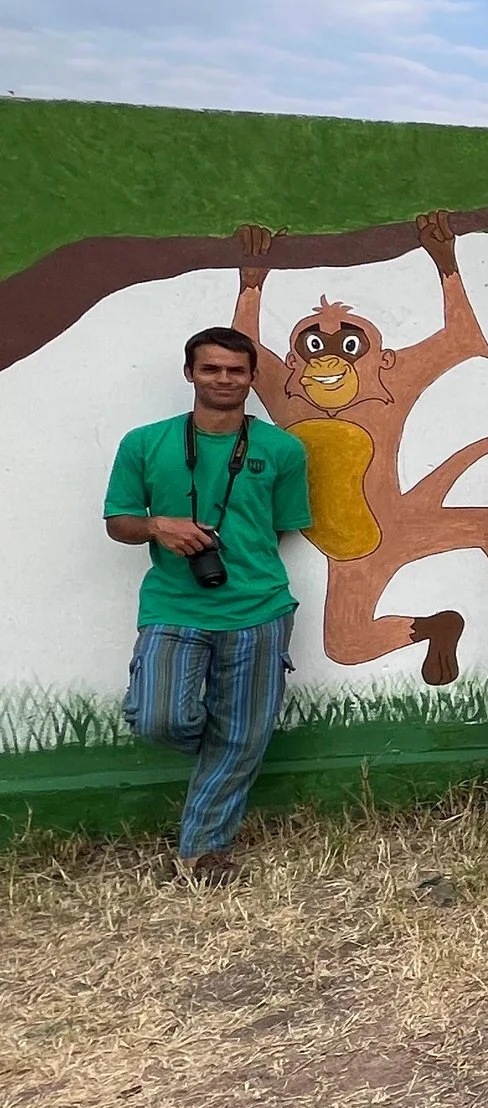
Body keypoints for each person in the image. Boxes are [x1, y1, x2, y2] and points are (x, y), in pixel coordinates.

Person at [104, 325, 313, 884]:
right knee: (161, 719)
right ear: (190, 373)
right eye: (211, 368)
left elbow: (283, 527)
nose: (224, 378)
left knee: (243, 734)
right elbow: (118, 523)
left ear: (252, 378)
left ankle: (202, 852)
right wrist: (158, 526)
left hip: (260, 607)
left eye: (235, 370)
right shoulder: (143, 443)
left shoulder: (283, 449)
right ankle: (229, 752)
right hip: (173, 605)